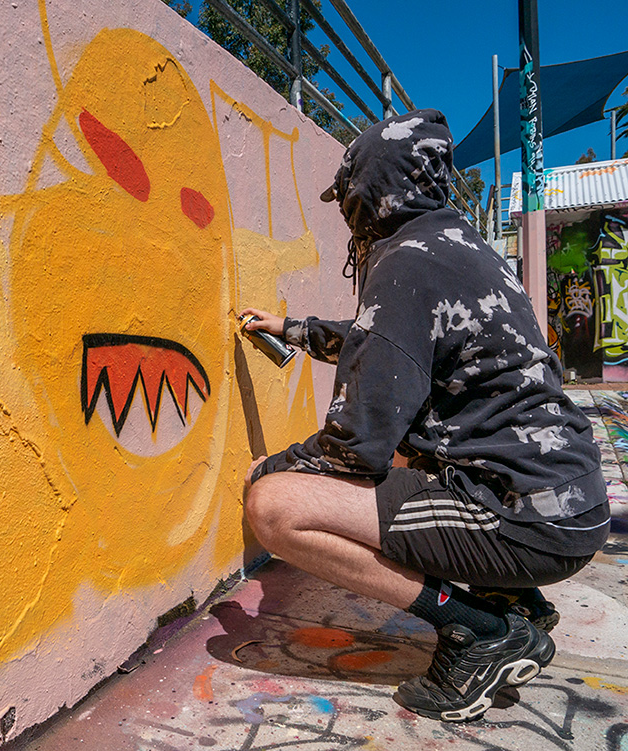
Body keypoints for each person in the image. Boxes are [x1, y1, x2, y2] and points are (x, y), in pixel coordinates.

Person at [240, 108, 609, 722]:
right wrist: (295, 329)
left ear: (369, 191)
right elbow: (392, 339)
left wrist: (272, 468)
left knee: (277, 508)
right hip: (566, 500)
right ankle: (515, 601)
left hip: (525, 515)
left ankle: (478, 633)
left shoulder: (404, 264)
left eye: (348, 200)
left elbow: (356, 445)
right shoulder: (456, 247)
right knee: (415, 461)